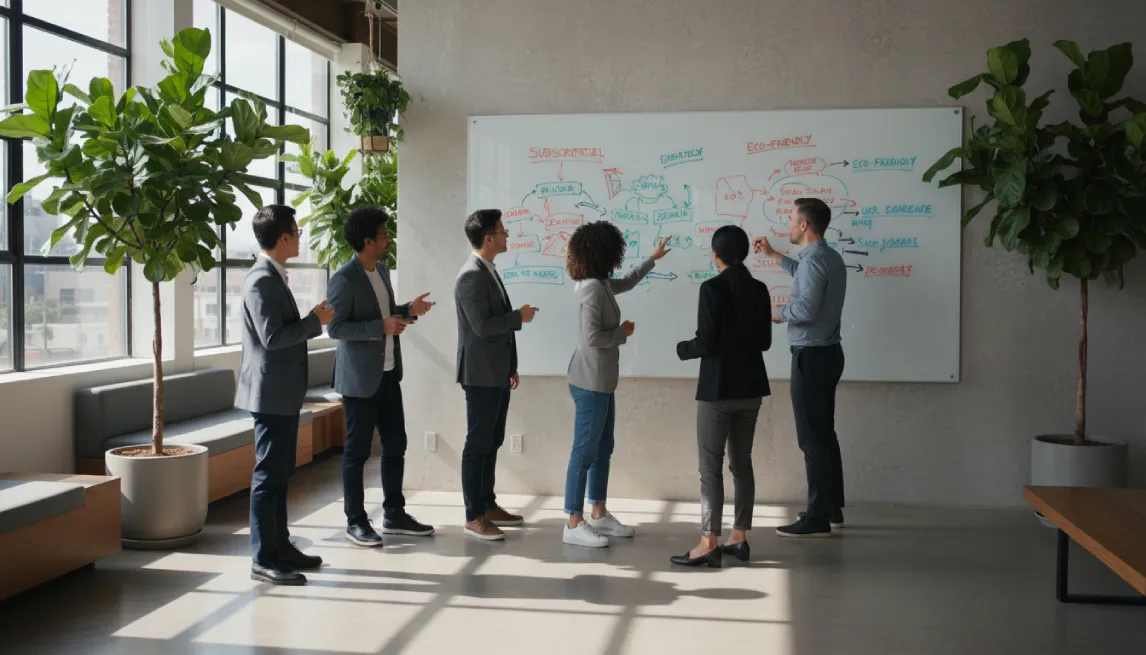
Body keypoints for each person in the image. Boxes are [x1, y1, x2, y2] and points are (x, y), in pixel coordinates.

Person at [235, 204, 334, 586]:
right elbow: (272, 338)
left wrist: (310, 318)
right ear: (282, 237)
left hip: (281, 392)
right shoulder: (261, 280)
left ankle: (281, 546)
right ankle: (263, 557)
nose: (300, 237)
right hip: (270, 393)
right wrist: (315, 323)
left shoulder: (274, 276)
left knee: (280, 474)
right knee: (268, 476)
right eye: (296, 231)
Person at [327, 206, 436, 547]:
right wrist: (381, 326)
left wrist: (406, 311)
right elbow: (336, 327)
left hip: (388, 373)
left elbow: (385, 315)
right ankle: (356, 521)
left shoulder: (383, 270)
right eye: (384, 234)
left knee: (396, 444)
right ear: (367, 241)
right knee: (357, 452)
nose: (388, 239)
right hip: (359, 380)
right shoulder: (343, 279)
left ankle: (394, 514)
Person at [563, 223, 671, 547]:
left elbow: (628, 282)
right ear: (604, 253)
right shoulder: (592, 289)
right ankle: (573, 521)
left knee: (603, 449)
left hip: (603, 379)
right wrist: (623, 332)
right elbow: (593, 337)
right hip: (590, 380)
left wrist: (652, 259)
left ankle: (598, 512)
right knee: (584, 451)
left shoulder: (600, 283)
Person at [671, 225, 772, 567]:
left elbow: (706, 342)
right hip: (751, 389)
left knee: (709, 468)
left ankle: (708, 542)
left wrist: (681, 349)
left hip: (718, 391)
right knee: (742, 463)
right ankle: (739, 537)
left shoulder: (711, 288)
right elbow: (765, 342)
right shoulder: (759, 289)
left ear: (715, 254)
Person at [755, 197, 848, 538]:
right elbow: (804, 274)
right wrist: (775, 256)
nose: (789, 224)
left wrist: (776, 312)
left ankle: (817, 517)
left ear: (805, 225)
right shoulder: (828, 258)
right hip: (828, 354)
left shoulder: (814, 263)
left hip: (811, 356)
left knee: (811, 439)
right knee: (824, 434)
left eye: (792, 219)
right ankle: (832, 507)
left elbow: (806, 307)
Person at [454, 209, 537, 540]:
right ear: (488, 239)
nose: (507, 237)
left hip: (496, 371)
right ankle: (473, 515)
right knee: (477, 444)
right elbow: (483, 326)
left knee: (492, 440)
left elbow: (495, 323)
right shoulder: (471, 276)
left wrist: (511, 365)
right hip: (480, 374)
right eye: (503, 232)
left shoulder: (487, 270)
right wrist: (519, 316)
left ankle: (487, 505)